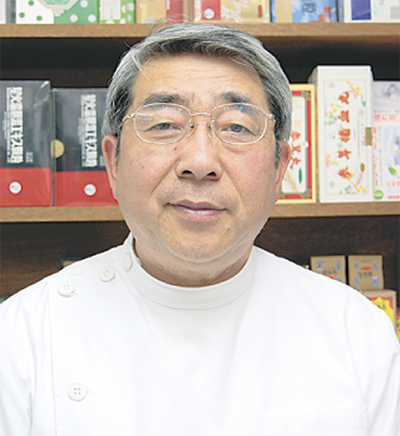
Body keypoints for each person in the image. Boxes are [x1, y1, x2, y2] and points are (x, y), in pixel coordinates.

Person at [0, 23, 399, 436]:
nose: (200, 161)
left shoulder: (357, 334)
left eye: (237, 127)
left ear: (280, 168)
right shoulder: (23, 336)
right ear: (113, 162)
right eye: (163, 124)